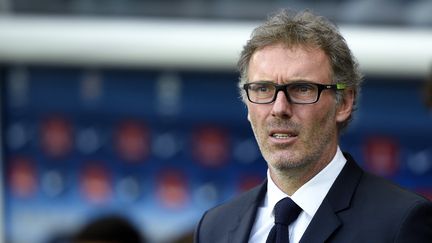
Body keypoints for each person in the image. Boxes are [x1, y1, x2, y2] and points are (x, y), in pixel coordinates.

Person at [194, 9, 432, 243]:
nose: (279, 108)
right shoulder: (214, 227)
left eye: (302, 89)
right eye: (263, 89)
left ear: (344, 103)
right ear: (246, 103)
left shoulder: (400, 222)